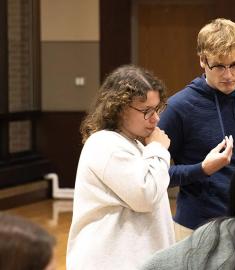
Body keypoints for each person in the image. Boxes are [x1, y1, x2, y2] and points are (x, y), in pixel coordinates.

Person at [158, 18, 235, 239]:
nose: (229, 75)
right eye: (219, 66)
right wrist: (202, 168)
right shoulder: (179, 107)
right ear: (203, 60)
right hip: (194, 228)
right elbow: (154, 176)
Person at [66, 65, 175, 269]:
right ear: (120, 108)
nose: (155, 118)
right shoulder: (105, 144)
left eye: (157, 109)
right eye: (146, 111)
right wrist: (159, 149)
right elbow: (146, 195)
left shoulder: (133, 143)